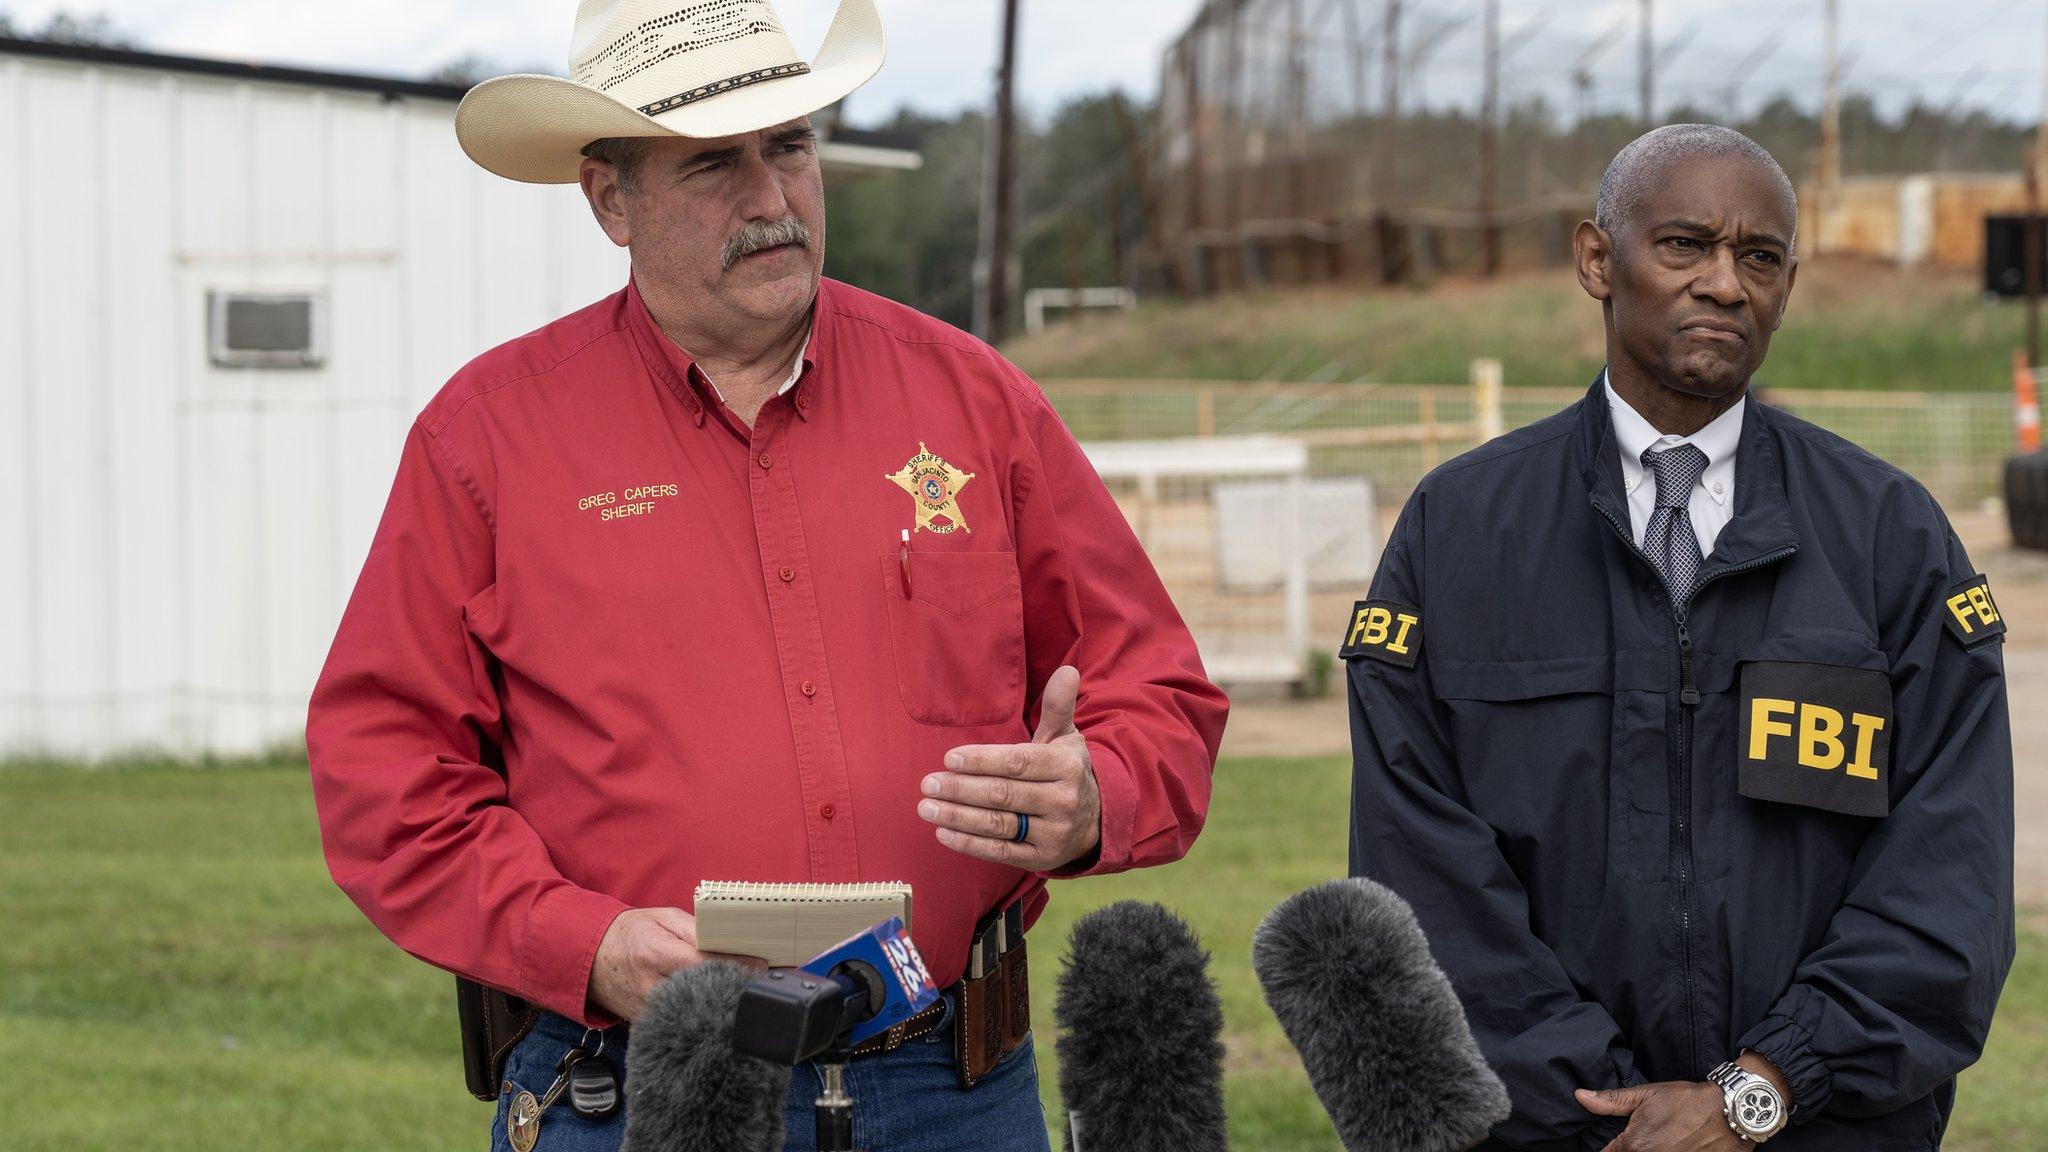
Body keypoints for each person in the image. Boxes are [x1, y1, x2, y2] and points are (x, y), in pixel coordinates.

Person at [304, 2, 1227, 1149]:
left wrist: (1096, 796)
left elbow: (1162, 696)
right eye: (711, 164)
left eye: (788, 145)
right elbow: (384, 770)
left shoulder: (976, 403)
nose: (770, 196)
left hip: (954, 1087)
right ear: (609, 200)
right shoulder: (487, 440)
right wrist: (579, 943)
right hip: (633, 1086)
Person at [1344, 124, 2013, 1151]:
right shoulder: (1458, 533)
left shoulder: (1890, 538)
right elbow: (1417, 878)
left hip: (1822, 1126)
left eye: (1759, 257)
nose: (1724, 284)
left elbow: (1944, 876)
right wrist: (1597, 1113)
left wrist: (1761, 1089)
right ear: (1596, 259)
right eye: (1684, 245)